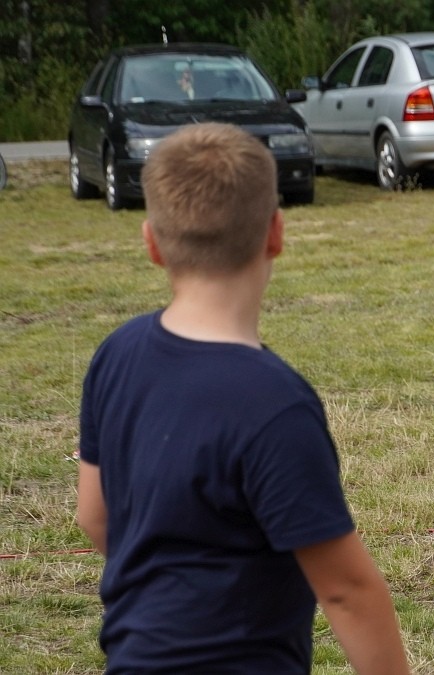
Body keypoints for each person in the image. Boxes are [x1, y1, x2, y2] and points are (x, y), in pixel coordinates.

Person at [75, 123, 410, 673]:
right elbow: (347, 590)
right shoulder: (275, 405)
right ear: (276, 233)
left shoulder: (117, 354)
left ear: (151, 244)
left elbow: (94, 516)